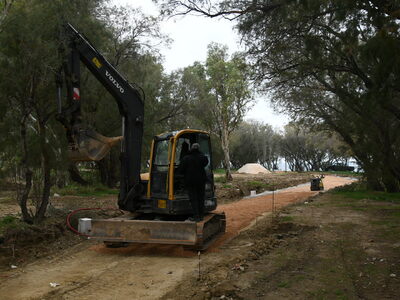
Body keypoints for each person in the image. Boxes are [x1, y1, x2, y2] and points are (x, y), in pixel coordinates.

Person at [179, 143, 209, 222]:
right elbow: (205, 162)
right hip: (201, 181)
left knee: (193, 199)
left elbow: (181, 170)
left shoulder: (186, 158)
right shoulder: (203, 158)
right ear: (198, 149)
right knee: (201, 198)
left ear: (191, 148)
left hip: (191, 182)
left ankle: (196, 217)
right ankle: (201, 216)